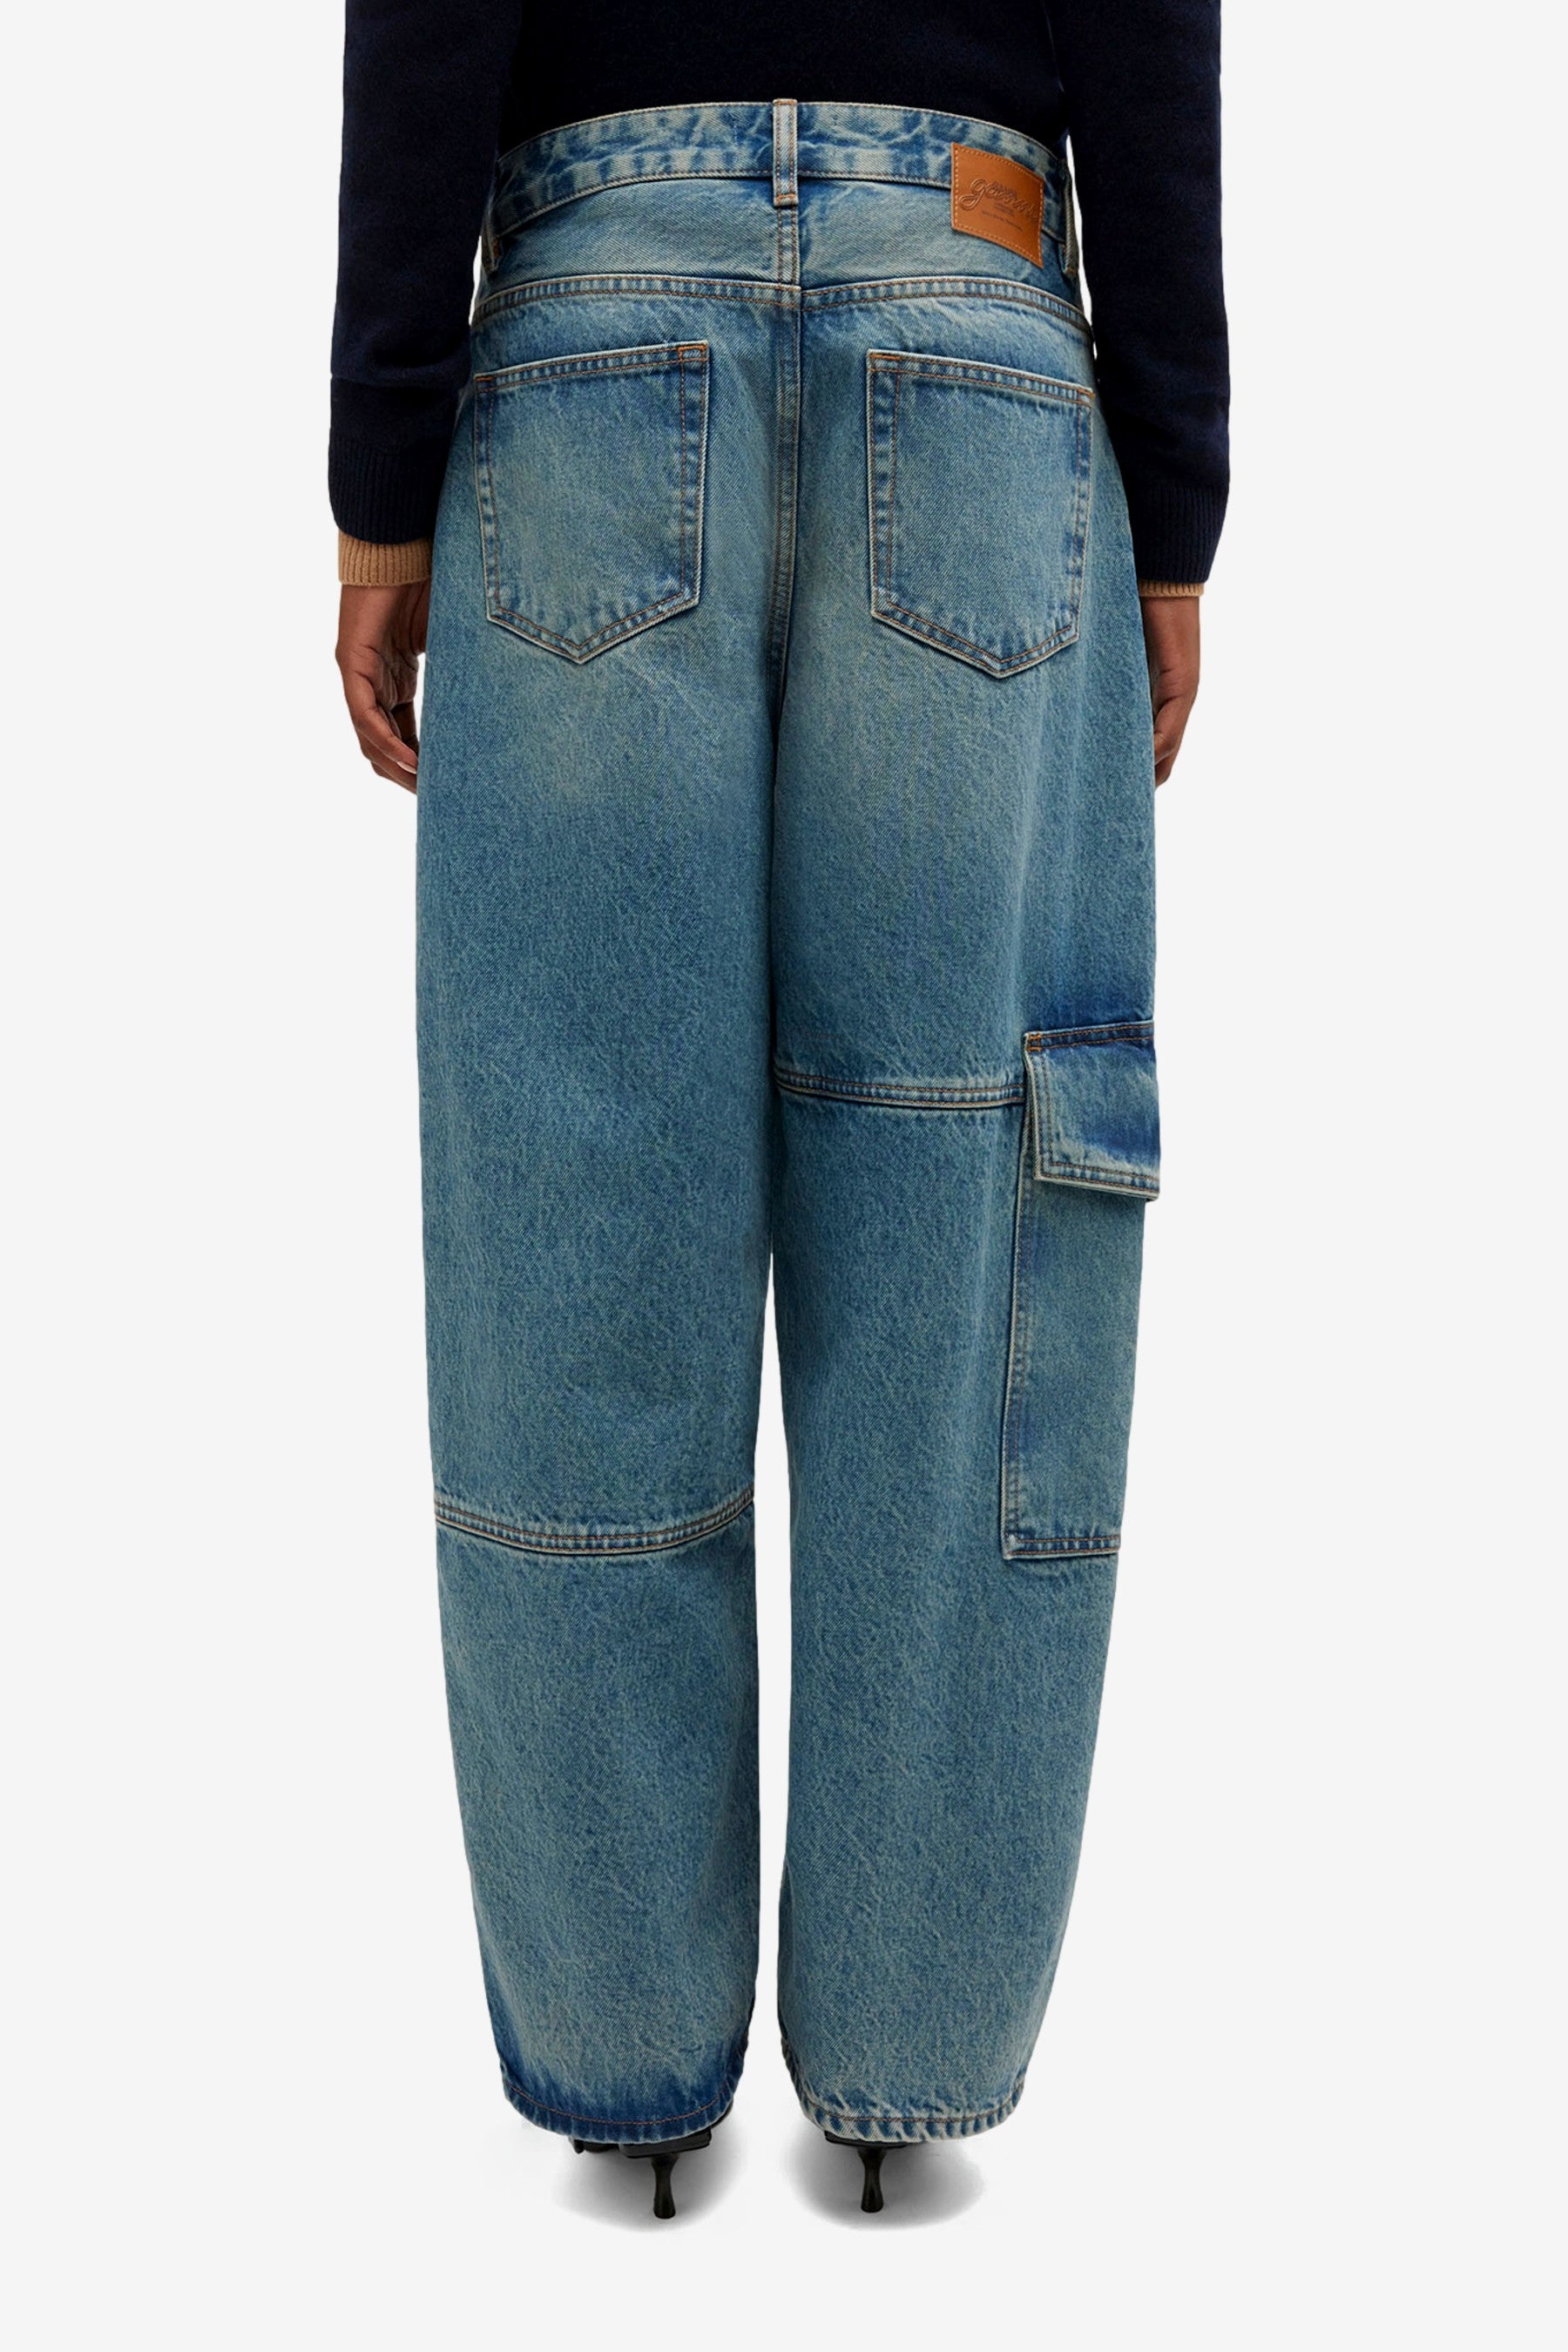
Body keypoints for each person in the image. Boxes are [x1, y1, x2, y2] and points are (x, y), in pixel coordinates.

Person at [331, 4, 1227, 2219]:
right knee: (971, 1218)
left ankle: (626, 2056)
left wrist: (383, 456)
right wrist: (1173, 470)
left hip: (585, 320)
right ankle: (911, 2053)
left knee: (579, 1211)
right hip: (977, 315)